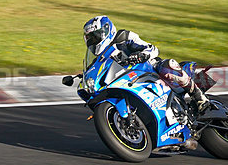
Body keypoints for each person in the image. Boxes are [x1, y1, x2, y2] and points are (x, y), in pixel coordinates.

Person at [82, 16, 210, 112]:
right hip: (128, 81)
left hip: (149, 68)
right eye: (90, 39)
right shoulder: (100, 59)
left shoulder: (123, 37)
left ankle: (199, 97)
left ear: (105, 30)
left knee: (167, 66)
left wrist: (141, 55)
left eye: (95, 37)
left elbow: (152, 48)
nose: (93, 41)